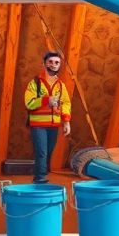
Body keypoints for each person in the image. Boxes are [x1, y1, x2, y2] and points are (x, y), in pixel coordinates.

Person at [23, 51, 72, 184]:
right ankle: (40, 178)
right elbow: (28, 103)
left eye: (57, 62)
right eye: (50, 62)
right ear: (44, 63)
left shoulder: (61, 85)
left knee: (48, 152)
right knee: (42, 152)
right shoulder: (35, 83)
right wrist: (45, 100)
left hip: (54, 125)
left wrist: (66, 121)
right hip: (38, 125)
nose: (54, 64)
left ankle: (40, 174)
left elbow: (66, 102)